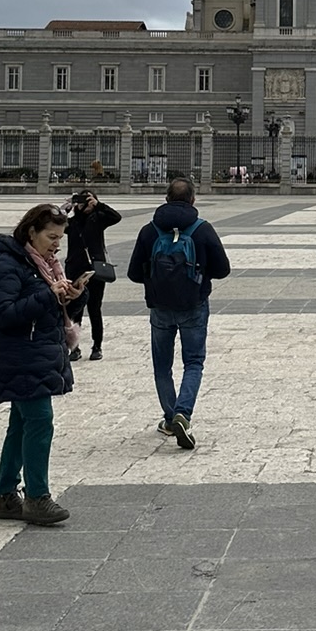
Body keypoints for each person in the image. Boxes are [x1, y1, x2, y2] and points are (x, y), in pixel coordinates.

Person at [0, 203, 91, 527]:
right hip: (18, 355)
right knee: (40, 421)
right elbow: (3, 313)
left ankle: (5, 495)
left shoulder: (43, 265)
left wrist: (73, 296)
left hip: (36, 353)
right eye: (51, 237)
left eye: (60, 238)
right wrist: (47, 295)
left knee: (21, 424)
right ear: (31, 232)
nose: (57, 245)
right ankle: (36, 497)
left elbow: (50, 309)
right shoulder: (6, 265)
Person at [127, 175, 231, 449]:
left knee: (162, 366)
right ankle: (182, 413)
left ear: (166, 198)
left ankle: (170, 416)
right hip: (194, 304)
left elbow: (134, 273)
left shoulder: (149, 231)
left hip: (160, 307)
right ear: (193, 199)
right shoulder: (202, 229)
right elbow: (223, 269)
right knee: (193, 362)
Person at [63, 188, 121, 358]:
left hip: (95, 270)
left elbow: (116, 217)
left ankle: (97, 346)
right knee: (75, 310)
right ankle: (74, 347)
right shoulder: (72, 223)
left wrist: (99, 205)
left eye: (89, 200)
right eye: (82, 201)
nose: (86, 204)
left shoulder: (98, 219)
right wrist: (66, 208)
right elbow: (56, 223)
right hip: (75, 269)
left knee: (95, 309)